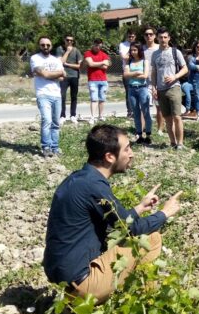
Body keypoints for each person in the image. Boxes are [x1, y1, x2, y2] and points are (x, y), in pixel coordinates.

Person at [43, 125, 182, 304]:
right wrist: (165, 213)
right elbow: (131, 229)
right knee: (151, 239)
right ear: (109, 157)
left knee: (122, 242)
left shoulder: (80, 179)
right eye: (127, 148)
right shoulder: (94, 186)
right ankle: (147, 299)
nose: (131, 154)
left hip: (65, 279)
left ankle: (119, 292)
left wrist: (140, 207)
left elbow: (118, 221)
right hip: (82, 286)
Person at [150, 28, 188, 149]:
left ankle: (180, 144)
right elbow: (154, 73)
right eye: (161, 37)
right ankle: (172, 143)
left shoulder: (175, 52)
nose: (163, 40)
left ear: (169, 38)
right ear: (158, 38)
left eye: (165, 37)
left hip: (174, 87)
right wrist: (153, 87)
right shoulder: (155, 54)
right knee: (167, 119)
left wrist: (174, 76)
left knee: (177, 116)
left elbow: (185, 68)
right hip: (160, 89)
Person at [29, 37, 65, 157]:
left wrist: (50, 75)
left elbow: (62, 77)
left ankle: (55, 147)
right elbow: (45, 74)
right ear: (39, 45)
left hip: (56, 94)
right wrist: (55, 73)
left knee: (55, 123)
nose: (45, 47)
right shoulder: (35, 58)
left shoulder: (56, 60)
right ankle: (46, 147)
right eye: (43, 45)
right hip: (43, 94)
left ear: (51, 46)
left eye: (48, 45)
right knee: (47, 120)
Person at [124, 42, 152, 145]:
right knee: (135, 113)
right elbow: (125, 75)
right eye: (131, 50)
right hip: (131, 89)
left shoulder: (145, 61)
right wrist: (136, 73)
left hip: (142, 89)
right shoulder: (129, 62)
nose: (133, 52)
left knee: (146, 112)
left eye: (135, 50)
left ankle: (148, 134)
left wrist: (131, 75)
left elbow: (145, 76)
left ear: (139, 50)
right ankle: (139, 135)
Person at [55, 35, 82, 125]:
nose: (69, 42)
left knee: (74, 97)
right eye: (68, 40)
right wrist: (67, 51)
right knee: (62, 96)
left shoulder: (76, 50)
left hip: (74, 76)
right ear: (64, 40)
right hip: (64, 76)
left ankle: (73, 115)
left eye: (71, 40)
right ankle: (62, 116)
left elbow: (79, 66)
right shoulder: (60, 49)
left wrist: (67, 64)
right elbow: (60, 62)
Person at [84, 39, 111, 123]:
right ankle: (92, 117)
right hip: (92, 80)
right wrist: (101, 63)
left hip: (103, 80)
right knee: (94, 99)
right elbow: (90, 64)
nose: (97, 47)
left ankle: (101, 116)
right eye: (96, 44)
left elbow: (105, 67)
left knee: (102, 99)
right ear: (93, 44)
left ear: (101, 45)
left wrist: (94, 64)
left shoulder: (104, 55)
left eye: (99, 45)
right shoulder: (88, 53)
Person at [141, 26, 160, 133]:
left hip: (158, 81)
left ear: (155, 36)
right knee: (144, 107)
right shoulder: (141, 49)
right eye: (146, 34)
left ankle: (160, 129)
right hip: (144, 82)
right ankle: (143, 129)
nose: (148, 36)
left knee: (159, 107)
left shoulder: (159, 47)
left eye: (151, 34)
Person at [119, 29, 137, 118]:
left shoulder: (138, 45)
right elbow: (124, 57)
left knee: (138, 91)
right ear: (127, 36)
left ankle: (137, 111)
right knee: (129, 92)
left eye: (132, 36)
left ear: (135, 37)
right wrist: (132, 52)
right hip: (127, 70)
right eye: (129, 36)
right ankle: (130, 111)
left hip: (137, 70)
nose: (131, 38)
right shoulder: (123, 45)